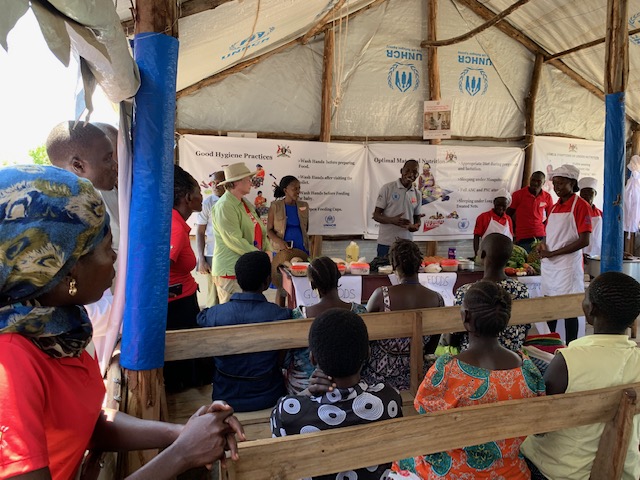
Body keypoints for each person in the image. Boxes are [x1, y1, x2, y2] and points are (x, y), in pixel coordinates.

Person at [0, 165, 244, 480]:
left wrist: (182, 433)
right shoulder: (10, 363)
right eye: (105, 248)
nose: (115, 257)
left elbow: (89, 423)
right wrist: (182, 454)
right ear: (67, 269)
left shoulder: (58, 329)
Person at [393, 281, 545, 479]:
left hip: (453, 472)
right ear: (506, 319)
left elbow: (425, 415)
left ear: (465, 317)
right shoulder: (528, 371)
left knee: (400, 457)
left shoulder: (447, 372)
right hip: (511, 472)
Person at [521, 271, 640, 480]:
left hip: (560, 471)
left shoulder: (567, 361)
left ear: (590, 309)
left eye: (585, 297)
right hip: (624, 470)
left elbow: (540, 426)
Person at [272, 309, 402, 480]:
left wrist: (306, 393)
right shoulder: (389, 398)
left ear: (312, 359)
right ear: (367, 354)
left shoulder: (287, 412)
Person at [46, 121, 119, 370]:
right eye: (108, 158)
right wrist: (129, 306)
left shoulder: (96, 197)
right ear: (78, 165)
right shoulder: (66, 216)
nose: (115, 166)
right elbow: (82, 309)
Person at [197, 251, 292, 412]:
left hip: (225, 395)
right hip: (269, 395)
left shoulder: (213, 315)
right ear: (267, 282)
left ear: (238, 280)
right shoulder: (280, 315)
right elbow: (283, 360)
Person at [363, 239, 444, 391]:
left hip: (380, 378)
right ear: (419, 264)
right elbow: (431, 348)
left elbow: (364, 338)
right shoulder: (437, 299)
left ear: (393, 265)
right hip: (418, 373)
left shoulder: (382, 295)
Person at [284, 257, 368, 395]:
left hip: (304, 387)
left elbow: (286, 360)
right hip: (351, 385)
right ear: (338, 279)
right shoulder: (359, 312)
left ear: (312, 285)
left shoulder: (297, 315)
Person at [165, 165, 206, 391]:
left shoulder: (176, 222)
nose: (201, 197)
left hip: (181, 300)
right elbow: (160, 269)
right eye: (199, 193)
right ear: (189, 198)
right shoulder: (176, 228)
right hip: (177, 307)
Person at [453, 233, 531, 353]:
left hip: (473, 357)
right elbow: (525, 329)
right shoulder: (522, 290)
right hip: (512, 354)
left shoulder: (465, 292)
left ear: (482, 254)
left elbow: (455, 335)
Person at [540, 164, 592, 344]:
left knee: (569, 309)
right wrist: (543, 245)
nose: (557, 188)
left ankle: (570, 346)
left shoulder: (581, 206)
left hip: (567, 267)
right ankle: (549, 344)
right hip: (550, 266)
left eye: (561, 183)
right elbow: (548, 233)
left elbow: (584, 240)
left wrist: (554, 252)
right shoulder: (554, 207)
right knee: (550, 308)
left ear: (572, 183)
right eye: (555, 184)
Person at [211, 162, 270, 304]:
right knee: (232, 318)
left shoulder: (244, 202)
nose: (251, 182)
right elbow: (234, 240)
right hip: (231, 270)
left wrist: (267, 249)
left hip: (247, 267)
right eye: (248, 179)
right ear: (236, 182)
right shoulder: (225, 205)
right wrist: (261, 257)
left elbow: (260, 229)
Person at [372, 159, 423, 258]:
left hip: (407, 244)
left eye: (414, 172)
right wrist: (392, 220)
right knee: (384, 272)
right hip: (386, 243)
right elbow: (376, 215)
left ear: (417, 175)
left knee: (405, 273)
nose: (411, 174)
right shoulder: (387, 188)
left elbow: (417, 218)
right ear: (401, 171)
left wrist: (415, 226)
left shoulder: (418, 194)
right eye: (407, 170)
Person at [195, 170, 226, 307]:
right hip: (212, 255)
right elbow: (200, 232)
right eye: (212, 183)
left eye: (218, 182)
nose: (215, 186)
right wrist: (201, 259)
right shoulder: (207, 204)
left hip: (231, 255)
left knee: (228, 295)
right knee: (213, 298)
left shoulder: (238, 202)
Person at [507, 171, 553, 253]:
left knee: (540, 263)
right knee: (525, 263)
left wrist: (544, 227)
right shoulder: (518, 194)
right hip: (523, 237)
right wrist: (513, 232)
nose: (535, 183)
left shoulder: (547, 197)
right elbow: (508, 215)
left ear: (544, 182)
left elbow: (551, 217)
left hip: (541, 236)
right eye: (533, 180)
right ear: (530, 179)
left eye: (539, 181)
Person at [267, 175, 309, 254]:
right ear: (285, 190)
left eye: (299, 188)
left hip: (302, 249)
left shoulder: (304, 205)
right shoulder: (275, 206)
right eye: (295, 189)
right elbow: (269, 230)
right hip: (281, 249)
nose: (298, 191)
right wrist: (280, 242)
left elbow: (305, 228)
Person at [473, 188, 513, 259]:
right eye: (498, 205)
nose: (500, 208)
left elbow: (510, 239)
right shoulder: (483, 217)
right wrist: (476, 253)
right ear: (494, 202)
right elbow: (476, 236)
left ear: (507, 206)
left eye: (503, 206)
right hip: (487, 256)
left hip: (504, 257)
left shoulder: (508, 219)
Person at [578, 176, 603, 258]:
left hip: (597, 251)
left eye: (590, 193)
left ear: (595, 194)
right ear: (580, 194)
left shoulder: (601, 214)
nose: (587, 196)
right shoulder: (575, 212)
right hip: (579, 252)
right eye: (584, 193)